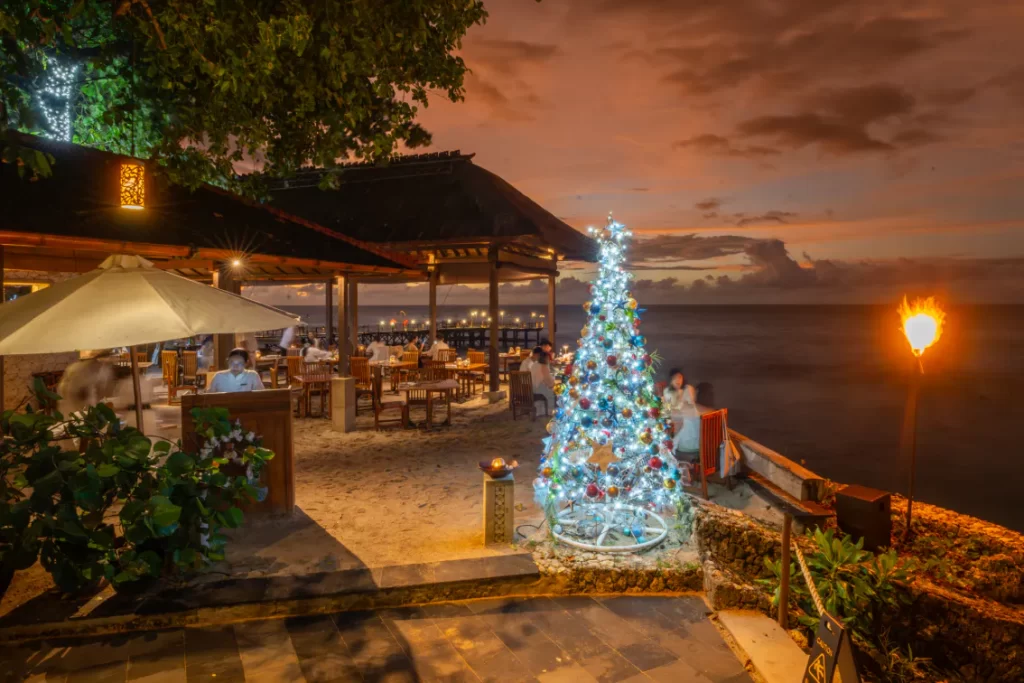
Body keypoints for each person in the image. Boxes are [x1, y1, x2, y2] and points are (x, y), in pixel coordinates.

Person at [57, 350, 117, 415]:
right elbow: (75, 392)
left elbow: (105, 390)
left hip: (87, 406)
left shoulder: (105, 370)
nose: (109, 360)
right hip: (72, 406)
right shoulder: (80, 370)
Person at [664, 368, 699, 452]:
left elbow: (691, 405)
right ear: (671, 380)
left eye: (680, 377)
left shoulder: (687, 389)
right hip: (676, 417)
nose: (678, 380)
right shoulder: (668, 391)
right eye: (675, 378)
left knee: (694, 417)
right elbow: (668, 410)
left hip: (688, 417)